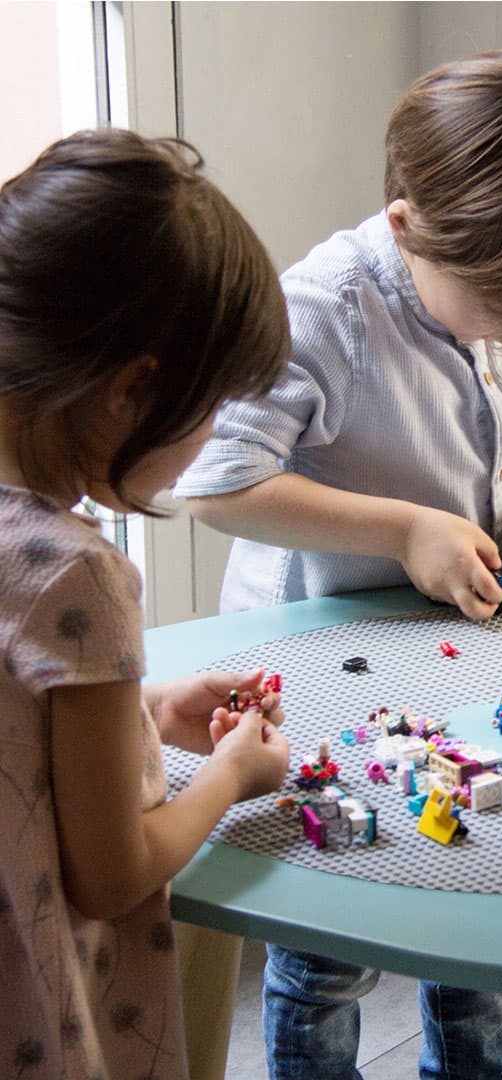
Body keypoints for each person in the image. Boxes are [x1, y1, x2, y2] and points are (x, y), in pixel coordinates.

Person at [175, 37, 502, 1080]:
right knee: (329, 940)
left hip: (471, 662)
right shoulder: (322, 312)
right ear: (410, 230)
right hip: (320, 672)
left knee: (479, 905)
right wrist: (403, 530)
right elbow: (217, 481)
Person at [0, 128, 293, 1079]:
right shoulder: (73, 573)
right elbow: (112, 869)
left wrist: (149, 712)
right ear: (133, 391)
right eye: (211, 413)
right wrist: (229, 779)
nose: (211, 441)